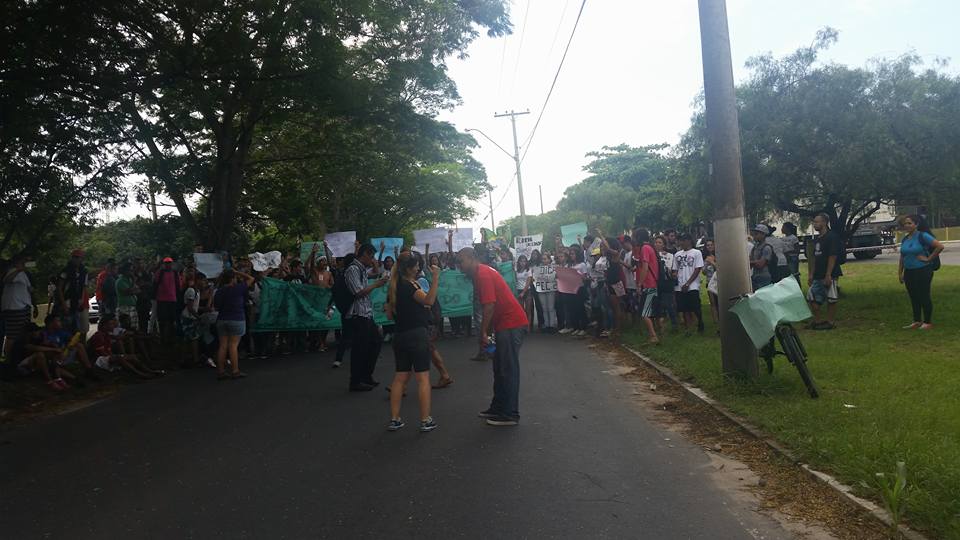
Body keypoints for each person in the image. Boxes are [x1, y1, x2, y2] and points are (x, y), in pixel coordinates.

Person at [457, 247, 528, 426]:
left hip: (511, 324)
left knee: (508, 369)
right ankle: (498, 408)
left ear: (472, 258)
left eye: (461, 261)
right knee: (499, 368)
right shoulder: (480, 273)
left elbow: (489, 306)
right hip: (504, 324)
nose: (459, 266)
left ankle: (510, 413)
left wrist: (483, 332)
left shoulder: (483, 274)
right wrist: (487, 332)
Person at [385, 254, 441, 432]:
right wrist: (436, 278)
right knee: (422, 377)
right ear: (409, 268)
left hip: (400, 335)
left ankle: (395, 419)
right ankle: (425, 420)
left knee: (400, 377)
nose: (418, 269)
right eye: (416, 266)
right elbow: (429, 301)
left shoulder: (395, 287)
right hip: (417, 334)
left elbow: (388, 314)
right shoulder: (409, 286)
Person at [344, 244, 389, 391]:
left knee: (375, 343)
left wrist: (377, 275)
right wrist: (376, 284)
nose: (372, 259)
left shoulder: (361, 269)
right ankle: (356, 381)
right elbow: (358, 292)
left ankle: (366, 376)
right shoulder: (352, 269)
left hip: (367, 313)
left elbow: (374, 273)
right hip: (358, 314)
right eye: (371, 256)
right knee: (360, 348)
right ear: (364, 254)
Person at [898, 215, 944, 330]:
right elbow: (902, 256)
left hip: (923, 270)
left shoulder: (923, 236)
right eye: (905, 224)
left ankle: (927, 322)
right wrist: (900, 272)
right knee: (913, 296)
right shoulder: (905, 239)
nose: (907, 226)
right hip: (909, 271)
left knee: (923, 295)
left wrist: (929, 259)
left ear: (916, 224)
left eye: (910, 223)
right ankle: (917, 321)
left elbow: (939, 246)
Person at [214, 268, 256, 380]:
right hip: (236, 318)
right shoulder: (238, 288)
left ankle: (221, 371)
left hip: (222, 319)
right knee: (233, 345)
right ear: (233, 278)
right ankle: (235, 370)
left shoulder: (219, 291)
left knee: (222, 345)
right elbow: (251, 278)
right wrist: (237, 272)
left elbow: (216, 306)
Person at [89, 315, 161, 378]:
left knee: (131, 356)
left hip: (107, 356)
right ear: (104, 325)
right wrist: (118, 356)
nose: (113, 325)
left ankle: (149, 371)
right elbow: (102, 353)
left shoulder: (107, 335)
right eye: (110, 324)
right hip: (99, 359)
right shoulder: (98, 336)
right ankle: (141, 374)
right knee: (121, 358)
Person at [806, 214, 843, 330]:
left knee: (831, 298)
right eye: (814, 222)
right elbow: (814, 258)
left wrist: (828, 274)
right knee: (811, 296)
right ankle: (818, 320)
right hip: (817, 274)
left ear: (824, 223)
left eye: (817, 222)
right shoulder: (817, 239)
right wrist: (811, 274)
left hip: (830, 274)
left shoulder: (831, 237)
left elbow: (832, 256)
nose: (815, 224)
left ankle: (830, 322)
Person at [2, 256, 36, 359]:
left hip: (23, 306)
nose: (26, 263)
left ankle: (18, 356)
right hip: (14, 307)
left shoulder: (24, 274)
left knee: (22, 332)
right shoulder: (13, 271)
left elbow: (30, 289)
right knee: (12, 334)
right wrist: (18, 269)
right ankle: (8, 358)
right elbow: (7, 280)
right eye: (24, 261)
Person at [632, 228, 660, 345]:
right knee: (651, 311)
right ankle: (656, 333)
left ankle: (653, 336)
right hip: (653, 283)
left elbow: (645, 268)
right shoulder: (650, 247)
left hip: (648, 284)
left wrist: (639, 284)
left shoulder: (645, 249)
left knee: (644, 312)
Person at [672, 234, 704, 333]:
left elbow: (698, 268)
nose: (681, 243)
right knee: (683, 307)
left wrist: (688, 283)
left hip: (692, 284)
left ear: (689, 241)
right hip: (680, 284)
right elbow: (675, 269)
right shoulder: (677, 254)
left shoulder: (696, 252)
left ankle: (700, 323)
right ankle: (688, 326)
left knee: (695, 306)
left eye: (683, 241)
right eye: (680, 241)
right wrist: (674, 275)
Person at [56, 249, 90, 334]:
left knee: (78, 329)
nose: (77, 259)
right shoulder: (66, 271)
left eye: (79, 258)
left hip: (77, 303)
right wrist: (63, 304)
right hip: (67, 301)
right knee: (66, 328)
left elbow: (83, 287)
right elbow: (59, 288)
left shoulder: (84, 271)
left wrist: (81, 300)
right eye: (75, 257)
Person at [654, 236, 678, 332]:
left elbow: (673, 269)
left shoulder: (670, 255)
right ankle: (660, 327)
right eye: (656, 242)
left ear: (664, 244)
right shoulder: (653, 254)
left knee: (668, 304)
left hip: (667, 282)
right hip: (656, 282)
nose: (657, 244)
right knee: (658, 305)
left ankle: (674, 324)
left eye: (660, 242)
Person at [153, 257, 180, 345]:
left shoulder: (175, 273)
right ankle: (162, 338)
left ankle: (170, 338)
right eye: (166, 263)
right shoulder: (159, 273)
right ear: (164, 264)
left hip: (172, 299)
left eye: (169, 263)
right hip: (161, 299)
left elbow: (178, 285)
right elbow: (155, 283)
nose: (168, 264)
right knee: (162, 320)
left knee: (171, 320)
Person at [749, 225, 775, 291]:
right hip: (755, 276)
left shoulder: (767, 248)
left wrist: (750, 262)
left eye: (756, 234)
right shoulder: (755, 247)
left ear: (763, 235)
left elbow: (760, 264)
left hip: (764, 277)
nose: (754, 236)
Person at [115, 263, 140, 331]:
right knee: (125, 327)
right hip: (124, 306)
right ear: (125, 271)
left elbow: (138, 290)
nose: (132, 272)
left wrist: (133, 287)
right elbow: (128, 292)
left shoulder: (129, 280)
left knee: (134, 327)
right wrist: (133, 282)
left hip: (132, 305)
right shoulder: (120, 281)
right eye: (130, 270)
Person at [701, 239, 720, 323]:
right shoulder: (706, 258)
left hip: (719, 281)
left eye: (711, 245)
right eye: (708, 245)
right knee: (713, 303)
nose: (710, 246)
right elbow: (704, 272)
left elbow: (720, 269)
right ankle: (715, 320)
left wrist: (712, 262)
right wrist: (706, 264)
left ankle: (721, 318)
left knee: (719, 302)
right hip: (709, 281)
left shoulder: (719, 256)